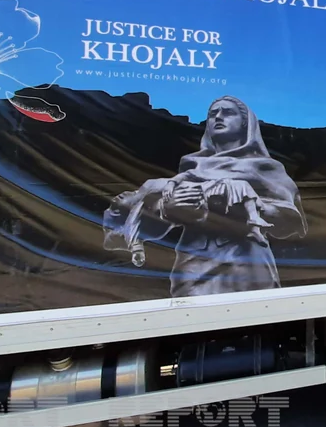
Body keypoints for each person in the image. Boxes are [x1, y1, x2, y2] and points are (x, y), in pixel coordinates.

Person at [103, 96, 307, 297]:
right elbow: (156, 222)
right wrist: (166, 208)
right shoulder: (192, 165)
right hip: (194, 262)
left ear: (246, 123)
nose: (218, 117)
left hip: (245, 261)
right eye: (212, 114)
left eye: (228, 112)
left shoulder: (265, 167)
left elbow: (289, 221)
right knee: (193, 314)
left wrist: (243, 207)